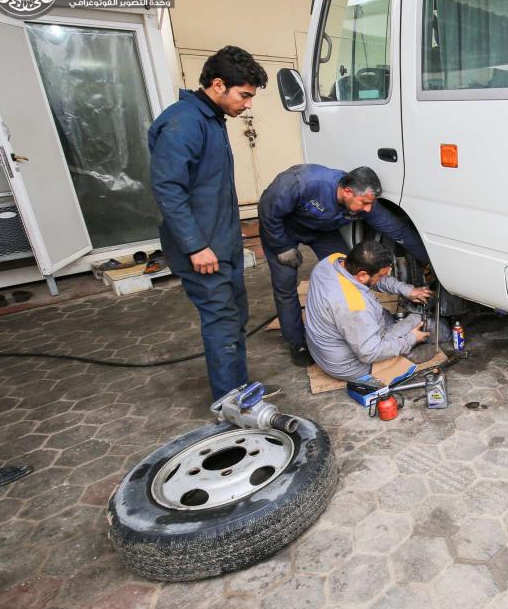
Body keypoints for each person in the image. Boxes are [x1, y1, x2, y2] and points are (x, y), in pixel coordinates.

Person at [149, 45, 278, 401]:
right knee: (222, 322)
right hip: (203, 250)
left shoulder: (211, 119)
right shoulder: (184, 122)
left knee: (235, 316)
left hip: (223, 243)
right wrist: (195, 246)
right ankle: (231, 402)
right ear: (218, 85)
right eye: (245, 95)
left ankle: (240, 387)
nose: (248, 104)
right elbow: (168, 189)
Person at [258, 164, 429, 365]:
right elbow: (267, 210)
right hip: (281, 230)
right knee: (285, 285)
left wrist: (428, 259)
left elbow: (396, 230)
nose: (367, 209)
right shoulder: (303, 183)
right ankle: (297, 342)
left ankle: (360, 328)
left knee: (352, 270)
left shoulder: (363, 200)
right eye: (364, 203)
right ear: (347, 192)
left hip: (321, 230)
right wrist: (281, 247)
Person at [304, 240, 434, 381]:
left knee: (380, 312)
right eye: (381, 275)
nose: (382, 278)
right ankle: (401, 356)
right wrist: (410, 339)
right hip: (348, 365)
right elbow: (370, 353)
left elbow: (375, 279)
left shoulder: (331, 261)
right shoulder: (354, 306)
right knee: (417, 320)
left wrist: (407, 290)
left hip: (322, 350)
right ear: (362, 275)